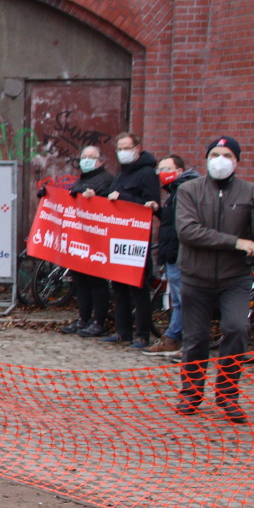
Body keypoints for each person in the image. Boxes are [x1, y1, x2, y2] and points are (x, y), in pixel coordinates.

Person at [174, 136, 254, 424]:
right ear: (207, 159)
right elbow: (188, 231)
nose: (220, 159)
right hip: (196, 276)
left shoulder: (248, 191)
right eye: (215, 154)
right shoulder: (189, 189)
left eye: (227, 155)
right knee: (195, 338)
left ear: (236, 161)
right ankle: (191, 392)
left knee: (236, 328)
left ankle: (227, 395)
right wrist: (236, 242)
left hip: (235, 278)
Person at [101, 132, 161, 348]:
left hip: (136, 239)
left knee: (139, 288)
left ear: (137, 149)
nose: (123, 153)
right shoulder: (122, 173)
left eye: (127, 148)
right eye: (120, 149)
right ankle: (122, 331)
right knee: (118, 286)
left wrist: (124, 198)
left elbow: (152, 204)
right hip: (119, 237)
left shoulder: (147, 173)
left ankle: (142, 334)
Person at [59, 145, 116, 337]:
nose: (86, 160)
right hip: (80, 238)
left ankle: (99, 321)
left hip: (96, 240)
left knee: (96, 282)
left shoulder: (106, 180)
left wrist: (95, 197)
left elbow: (107, 206)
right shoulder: (83, 179)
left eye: (91, 157)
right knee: (81, 281)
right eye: (84, 156)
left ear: (100, 160)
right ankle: (84, 318)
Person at [146, 154, 197, 356]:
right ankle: (173, 338)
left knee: (183, 300)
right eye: (160, 169)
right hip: (171, 252)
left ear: (179, 171)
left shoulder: (185, 190)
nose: (162, 173)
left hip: (178, 253)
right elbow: (171, 220)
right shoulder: (175, 191)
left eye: (167, 168)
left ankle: (178, 339)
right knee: (178, 300)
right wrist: (158, 210)